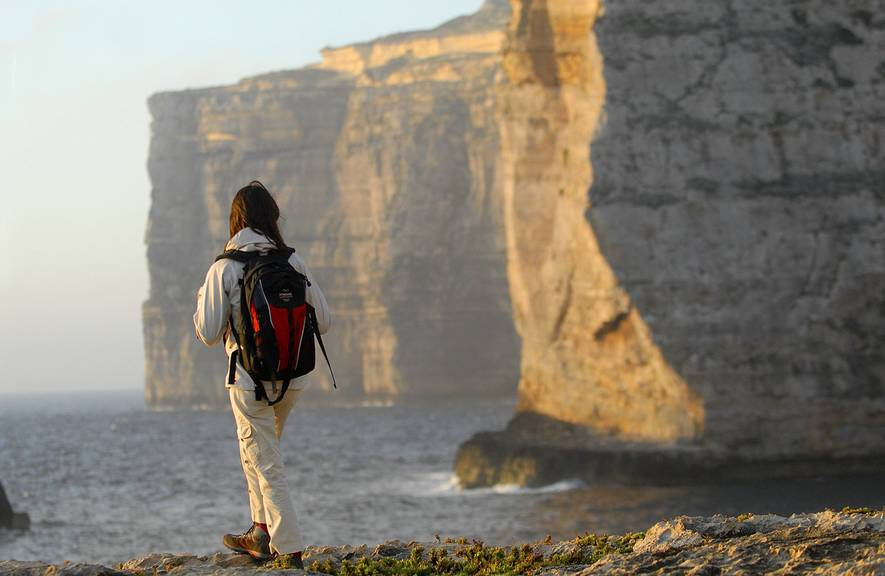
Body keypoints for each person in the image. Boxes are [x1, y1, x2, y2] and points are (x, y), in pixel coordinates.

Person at [193, 180, 331, 566]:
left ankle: (289, 550)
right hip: (293, 379)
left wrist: (200, 302)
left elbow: (206, 333)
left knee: (266, 460)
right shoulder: (292, 261)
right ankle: (259, 531)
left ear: (235, 221)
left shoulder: (224, 267)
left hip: (249, 381)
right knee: (256, 451)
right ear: (271, 218)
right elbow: (326, 321)